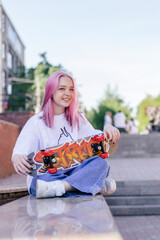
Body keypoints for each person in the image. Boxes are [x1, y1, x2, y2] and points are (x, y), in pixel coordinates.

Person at [12, 71, 120, 199]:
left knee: (100, 164)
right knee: (40, 182)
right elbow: (19, 152)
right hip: (49, 175)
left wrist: (107, 129)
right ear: (51, 91)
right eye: (62, 89)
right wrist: (17, 157)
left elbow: (95, 140)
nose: (68, 93)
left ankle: (63, 187)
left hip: (73, 172)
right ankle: (92, 184)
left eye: (71, 89)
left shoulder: (77, 118)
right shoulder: (37, 122)